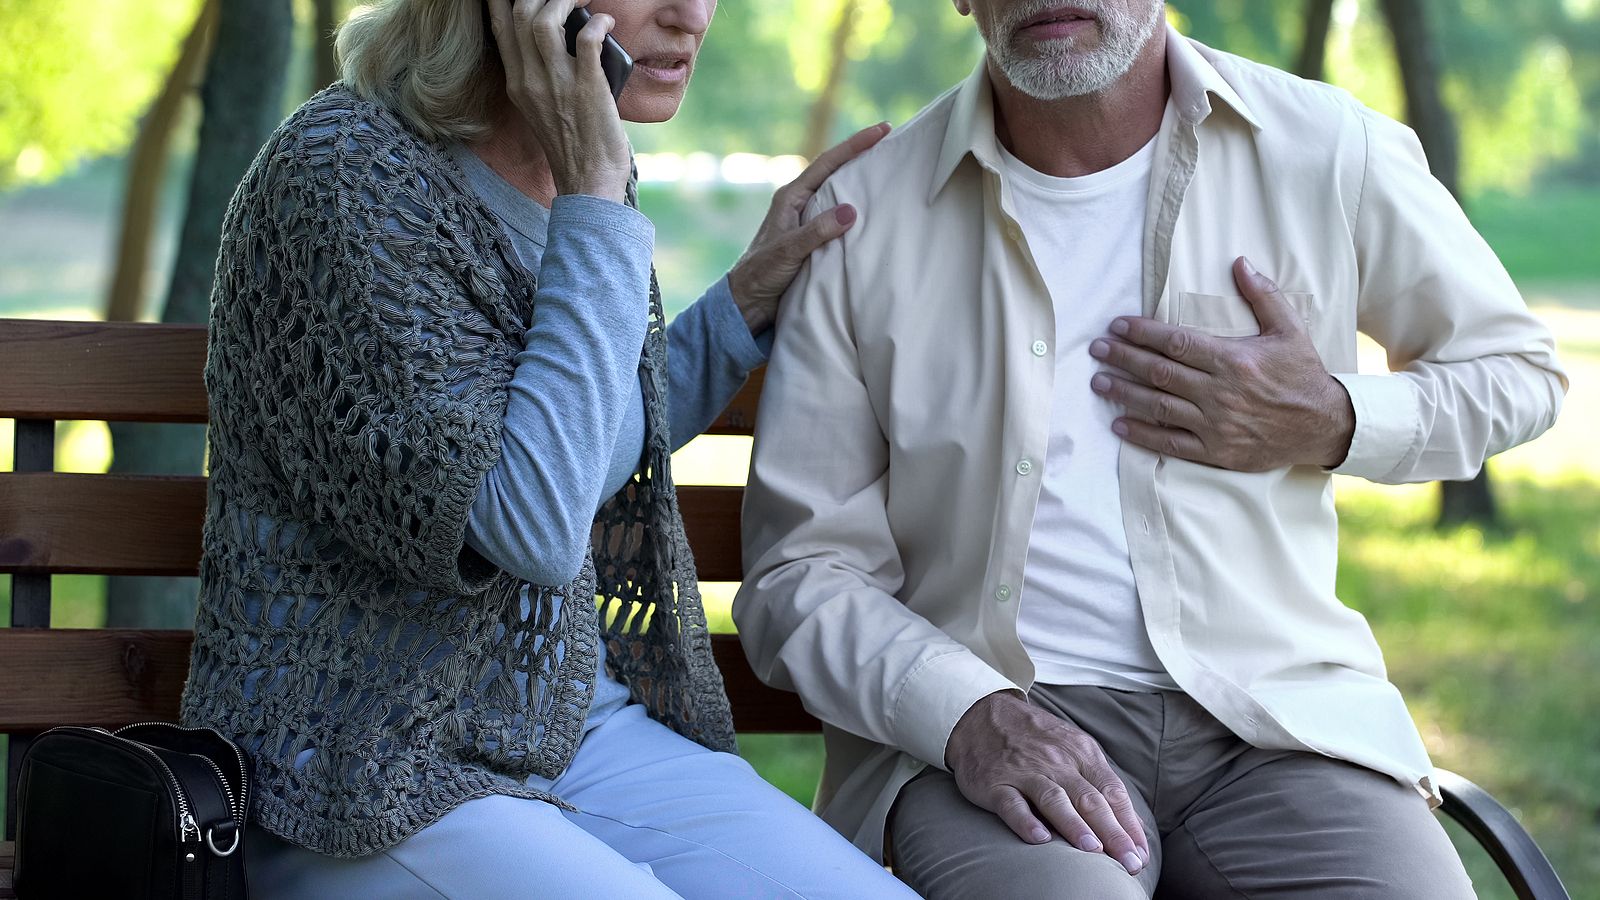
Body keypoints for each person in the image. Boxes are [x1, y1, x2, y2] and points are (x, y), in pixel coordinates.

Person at [734, 1, 1568, 897]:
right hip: (992, 723)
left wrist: (1329, 416)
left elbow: (1517, 373)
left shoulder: (1327, 148)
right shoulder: (864, 218)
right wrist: (965, 712)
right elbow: (801, 570)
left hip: (1279, 724)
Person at [177, 0, 918, 897]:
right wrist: (596, 192)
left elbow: (579, 443)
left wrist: (738, 307)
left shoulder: (570, 167)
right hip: (365, 767)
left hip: (563, 728)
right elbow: (529, 520)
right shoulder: (344, 175)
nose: (694, 16)